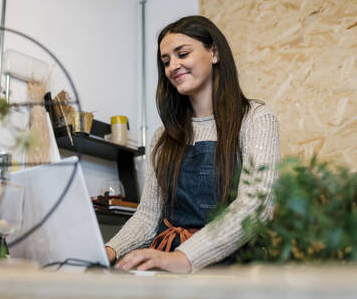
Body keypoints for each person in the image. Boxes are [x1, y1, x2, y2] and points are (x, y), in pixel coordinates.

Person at [105, 15, 281, 273]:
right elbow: (148, 216)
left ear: (215, 53)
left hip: (233, 269)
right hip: (169, 264)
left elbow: (256, 207)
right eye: (166, 61)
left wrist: (185, 257)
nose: (172, 66)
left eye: (182, 54)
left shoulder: (255, 119)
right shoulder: (162, 137)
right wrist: (109, 251)